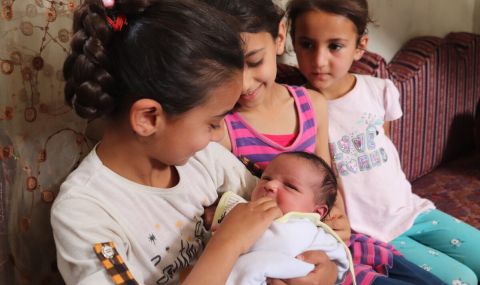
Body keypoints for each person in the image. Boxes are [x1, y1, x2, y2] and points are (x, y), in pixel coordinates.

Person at [51, 0, 340, 284]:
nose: (218, 135)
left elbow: (287, 215)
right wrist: (228, 244)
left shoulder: (206, 160)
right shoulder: (84, 213)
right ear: (149, 118)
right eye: (213, 123)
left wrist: (323, 269)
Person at [202, 1, 447, 285]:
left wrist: (338, 214)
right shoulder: (223, 129)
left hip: (340, 241)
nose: (244, 83)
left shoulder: (312, 103)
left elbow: (329, 177)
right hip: (291, 255)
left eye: (255, 61)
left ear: (280, 37)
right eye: (226, 69)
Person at [287, 0, 480, 284]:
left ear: (360, 45)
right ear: (291, 41)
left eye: (335, 46)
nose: (318, 61)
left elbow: (386, 152)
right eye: (307, 44)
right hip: (372, 232)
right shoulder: (298, 108)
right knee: (461, 279)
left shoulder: (380, 90)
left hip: (414, 211)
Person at [203, 152, 352, 285]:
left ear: (318, 211)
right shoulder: (243, 210)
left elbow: (340, 259)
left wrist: (332, 271)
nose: (270, 185)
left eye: (290, 186)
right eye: (265, 178)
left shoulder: (314, 232)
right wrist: (214, 215)